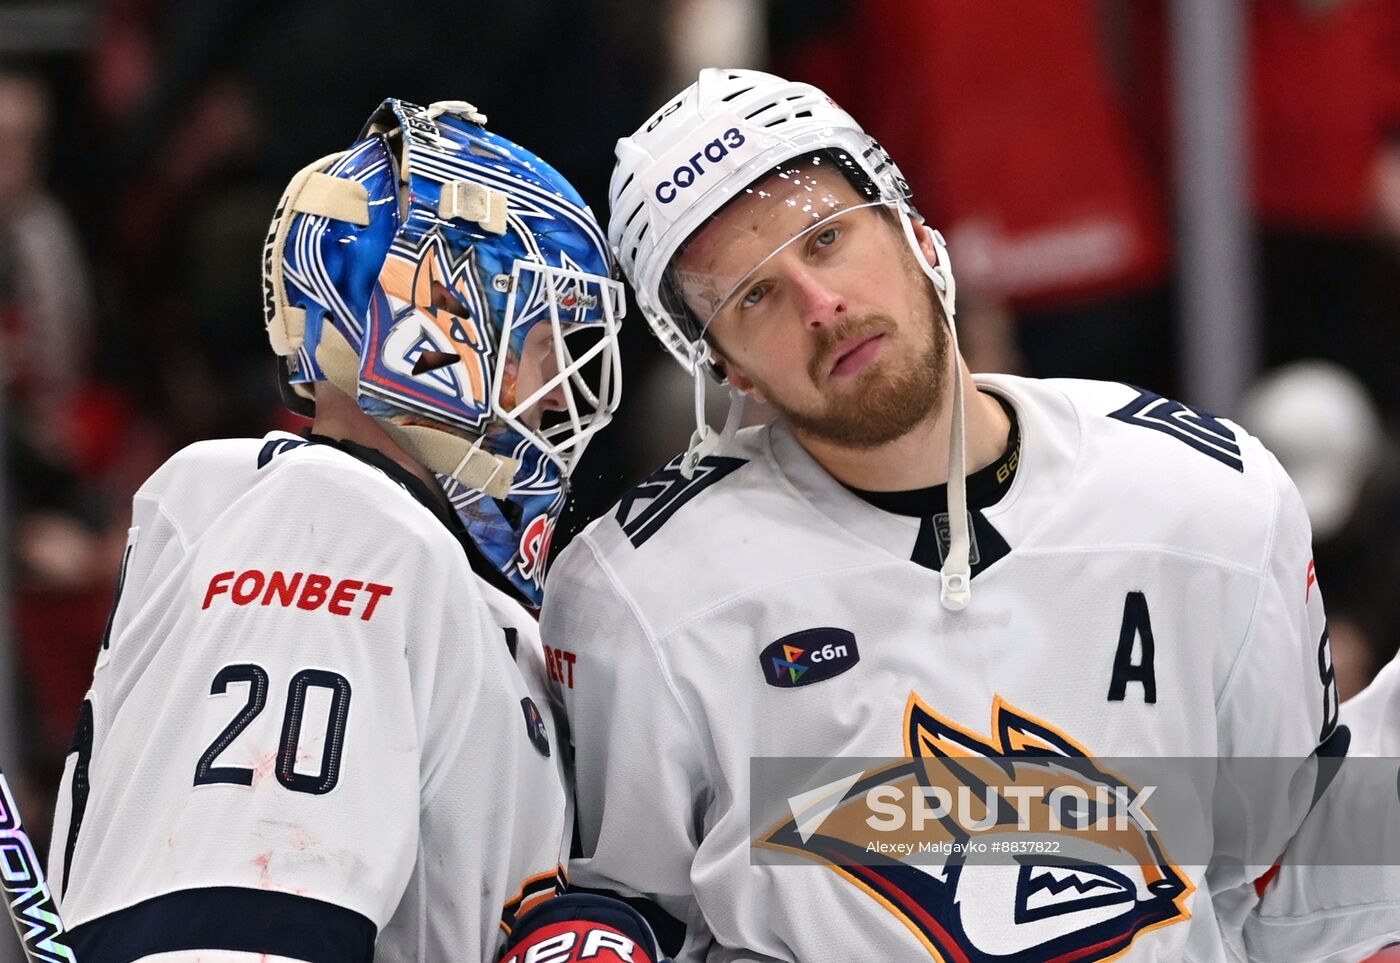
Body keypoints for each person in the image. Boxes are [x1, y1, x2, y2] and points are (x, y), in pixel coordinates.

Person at [541, 69, 1400, 961]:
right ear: (726, 367)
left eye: (826, 238)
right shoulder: (638, 598)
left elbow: (1292, 881)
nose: (820, 306)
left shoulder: (1207, 495)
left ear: (914, 230)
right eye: (753, 295)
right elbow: (632, 909)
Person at [46, 97, 661, 962]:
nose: (560, 393)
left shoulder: (408, 562)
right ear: (437, 326)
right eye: (543, 342)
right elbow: (234, 940)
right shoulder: (329, 532)